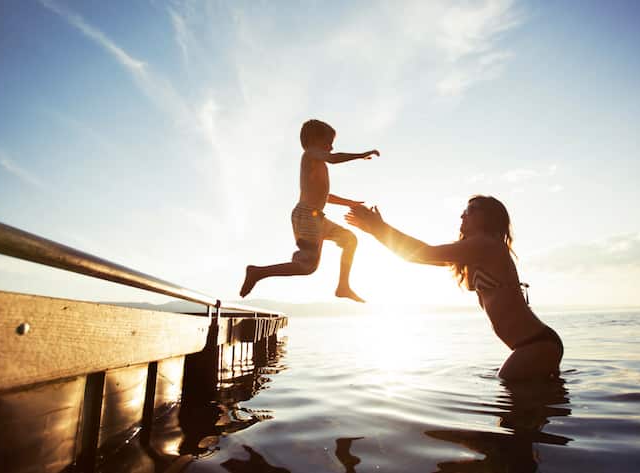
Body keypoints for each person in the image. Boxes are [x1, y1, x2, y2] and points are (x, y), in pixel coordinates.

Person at [345, 195, 563, 380]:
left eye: (470, 210)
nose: (462, 215)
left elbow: (423, 253)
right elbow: (416, 256)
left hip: (535, 345)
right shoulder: (476, 249)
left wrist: (379, 228)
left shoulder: (486, 244)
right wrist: (376, 230)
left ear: (488, 217)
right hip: (534, 344)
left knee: (511, 393)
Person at [240, 119, 379, 302]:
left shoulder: (317, 163)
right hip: (307, 215)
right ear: (314, 140)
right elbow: (334, 158)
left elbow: (325, 195)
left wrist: (350, 203)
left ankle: (343, 286)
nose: (331, 147)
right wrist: (361, 155)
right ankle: (257, 272)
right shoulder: (310, 154)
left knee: (349, 240)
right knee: (307, 266)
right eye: (328, 142)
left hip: (317, 217)